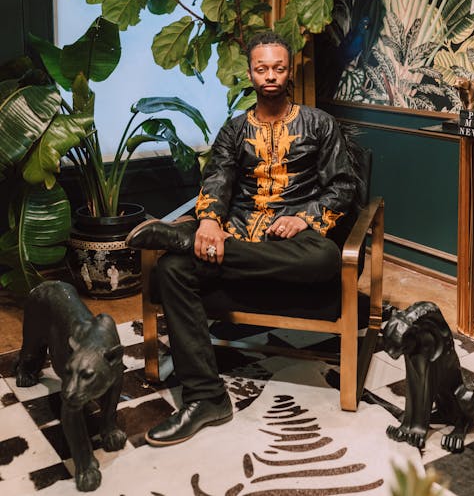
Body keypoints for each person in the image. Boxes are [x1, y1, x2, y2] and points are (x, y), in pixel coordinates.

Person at [126, 31, 356, 446]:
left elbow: (342, 188)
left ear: (289, 72)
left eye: (278, 68)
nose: (270, 76)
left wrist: (305, 219)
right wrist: (210, 222)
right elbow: (216, 181)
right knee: (172, 269)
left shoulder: (320, 124)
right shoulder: (233, 130)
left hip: (291, 242)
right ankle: (206, 398)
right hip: (238, 232)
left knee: (323, 260)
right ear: (250, 73)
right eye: (261, 68)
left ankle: (182, 240)